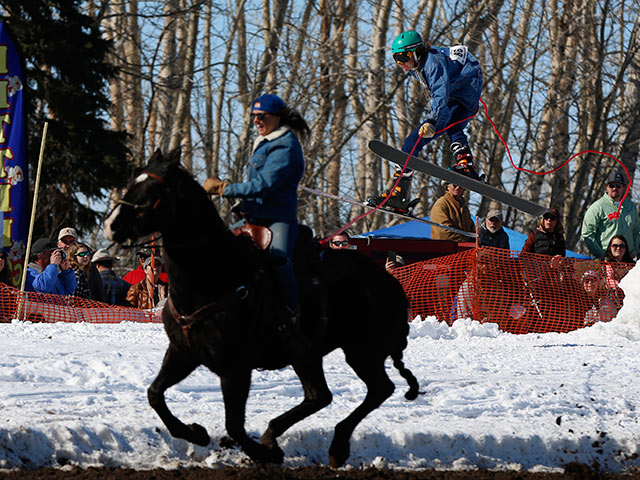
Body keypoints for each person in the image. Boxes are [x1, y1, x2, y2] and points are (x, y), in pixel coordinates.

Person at [202, 93, 309, 354]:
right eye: (254, 117)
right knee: (218, 249)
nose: (258, 121)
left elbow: (265, 185)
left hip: (278, 219)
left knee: (279, 259)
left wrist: (226, 189)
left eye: (263, 117)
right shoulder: (262, 142)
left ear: (278, 118)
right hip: (255, 217)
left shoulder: (285, 145)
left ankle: (292, 316)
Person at [369, 30, 483, 211]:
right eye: (396, 59)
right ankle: (464, 162)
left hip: (464, 91)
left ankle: (400, 193)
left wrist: (432, 119)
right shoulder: (419, 65)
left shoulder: (432, 63)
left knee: (419, 139)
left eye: (403, 57)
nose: (401, 64)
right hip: (458, 92)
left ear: (415, 52)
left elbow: (440, 92)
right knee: (449, 129)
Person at [581, 168, 640, 259]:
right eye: (611, 185)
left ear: (623, 187)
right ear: (606, 187)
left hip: (627, 260)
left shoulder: (631, 207)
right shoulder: (597, 207)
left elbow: (637, 231)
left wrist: (635, 251)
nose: (615, 188)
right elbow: (587, 234)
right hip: (605, 262)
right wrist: (602, 255)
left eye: (618, 186)